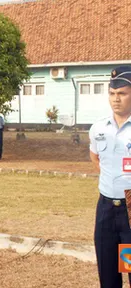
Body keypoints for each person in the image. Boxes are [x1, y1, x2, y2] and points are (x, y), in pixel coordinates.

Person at [89, 66, 131, 288]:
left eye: (122, 93)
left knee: (130, 267)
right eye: (113, 94)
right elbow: (95, 157)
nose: (116, 99)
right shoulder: (98, 128)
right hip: (105, 206)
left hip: (130, 207)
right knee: (108, 274)